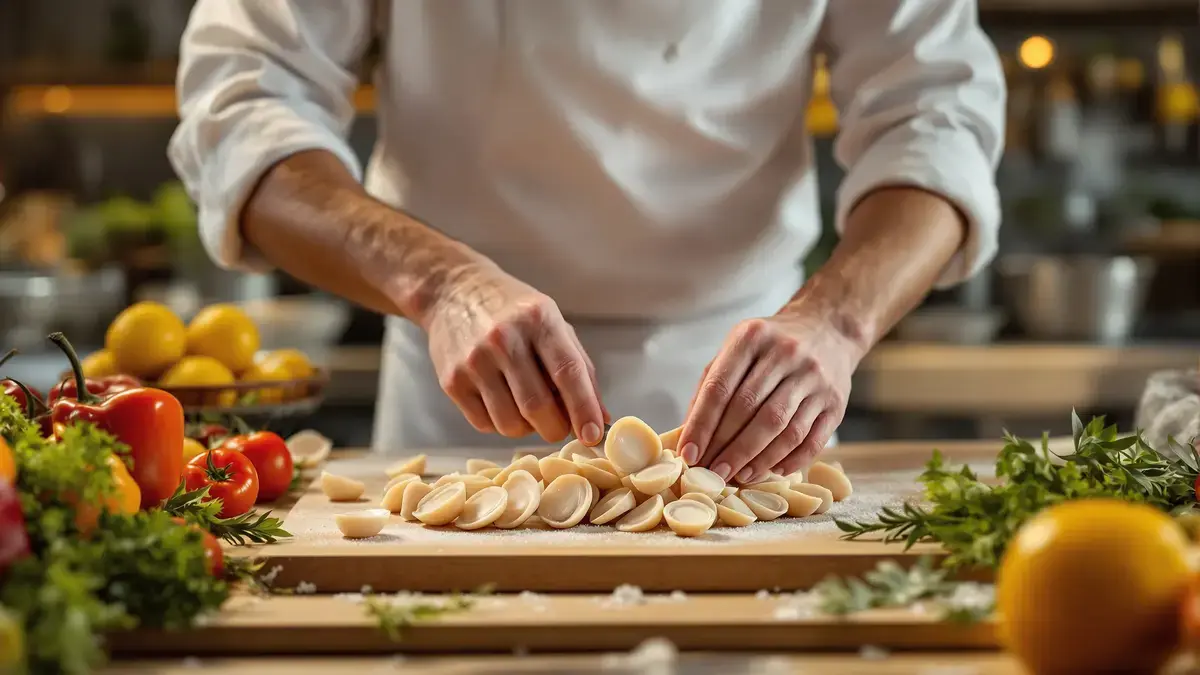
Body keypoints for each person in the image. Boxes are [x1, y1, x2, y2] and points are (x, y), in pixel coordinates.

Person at [170, 1, 1004, 486]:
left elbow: (934, 114)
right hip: (453, 406)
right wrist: (441, 283)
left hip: (755, 395)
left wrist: (836, 322)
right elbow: (244, 105)